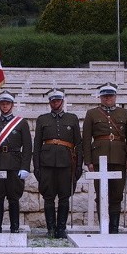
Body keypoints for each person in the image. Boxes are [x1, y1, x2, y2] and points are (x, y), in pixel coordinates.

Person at [82, 82, 127, 233]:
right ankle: (103, 226)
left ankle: (114, 227)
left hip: (119, 158)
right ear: (100, 97)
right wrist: (88, 161)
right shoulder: (92, 113)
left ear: (115, 96)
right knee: (101, 194)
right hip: (99, 158)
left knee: (117, 194)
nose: (108, 98)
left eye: (110, 95)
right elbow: (86, 138)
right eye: (105, 96)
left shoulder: (124, 113)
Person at [33, 88, 82, 239]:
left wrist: (79, 165)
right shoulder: (42, 119)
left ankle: (61, 229)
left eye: (58, 100)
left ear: (62, 101)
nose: (55, 103)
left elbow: (78, 144)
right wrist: (36, 167)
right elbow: (37, 145)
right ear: (49, 102)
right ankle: (50, 229)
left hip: (66, 163)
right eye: (53, 100)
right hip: (47, 163)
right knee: (48, 197)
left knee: (64, 197)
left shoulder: (72, 118)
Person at [0, 90, 32, 233]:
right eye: (2, 103)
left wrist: (25, 167)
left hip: (14, 164)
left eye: (8, 103)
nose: (5, 106)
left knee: (14, 198)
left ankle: (15, 228)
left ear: (12, 105)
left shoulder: (21, 123)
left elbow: (28, 146)